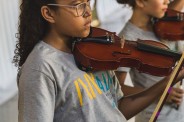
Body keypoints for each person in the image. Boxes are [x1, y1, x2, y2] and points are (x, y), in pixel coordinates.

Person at [13, 0, 184, 122]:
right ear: (49, 13)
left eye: (88, 2)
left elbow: (118, 107)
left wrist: (169, 81)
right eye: (77, 5)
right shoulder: (40, 68)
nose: (88, 11)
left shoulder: (96, 50)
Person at [116, 0, 184, 121]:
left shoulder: (163, 24)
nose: (167, 1)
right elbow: (118, 88)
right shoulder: (127, 39)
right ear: (141, 2)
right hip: (156, 115)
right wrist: (162, 92)